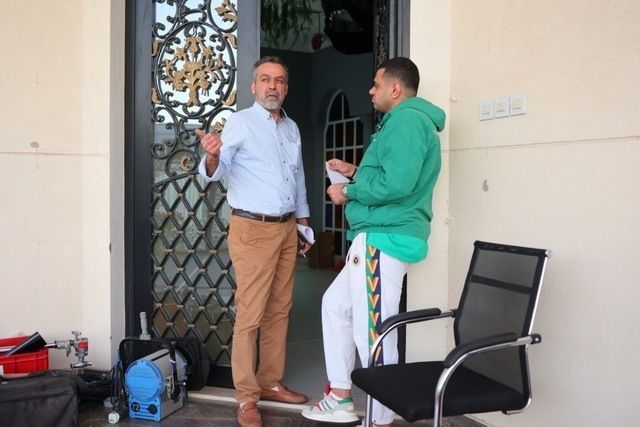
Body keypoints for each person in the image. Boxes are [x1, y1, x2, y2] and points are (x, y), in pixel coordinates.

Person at [301, 57, 445, 427]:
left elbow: (398, 183)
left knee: (374, 332)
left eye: (376, 85)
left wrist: (347, 190)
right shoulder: (403, 122)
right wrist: (355, 171)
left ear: (395, 88)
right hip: (379, 235)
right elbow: (394, 175)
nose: (370, 91)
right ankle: (340, 396)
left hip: (384, 237)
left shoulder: (407, 121)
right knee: (336, 306)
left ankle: (380, 418)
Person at [197, 56, 312, 427]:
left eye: (279, 80)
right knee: (250, 314)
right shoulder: (240, 122)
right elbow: (218, 170)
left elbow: (297, 177)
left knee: (280, 310)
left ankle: (270, 382)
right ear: (253, 86)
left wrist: (303, 221)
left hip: (286, 228)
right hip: (252, 229)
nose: (272, 86)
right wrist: (212, 156)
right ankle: (246, 397)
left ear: (286, 87)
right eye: (265, 79)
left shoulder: (291, 127)